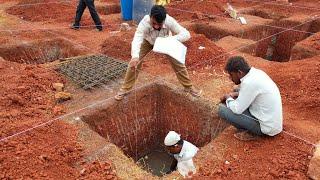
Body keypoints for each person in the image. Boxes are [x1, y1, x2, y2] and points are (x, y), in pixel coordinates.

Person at [114, 5, 201, 100]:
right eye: (154, 23)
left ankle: (188, 87)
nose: (156, 26)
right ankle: (125, 89)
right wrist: (135, 56)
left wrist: (170, 39)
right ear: (150, 17)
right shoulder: (144, 22)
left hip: (165, 42)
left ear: (164, 20)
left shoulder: (169, 21)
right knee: (134, 63)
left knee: (178, 62)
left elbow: (186, 34)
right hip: (148, 41)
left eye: (159, 24)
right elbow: (137, 39)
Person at [218, 56, 283, 141]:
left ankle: (252, 132)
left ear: (239, 72)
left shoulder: (249, 83)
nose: (230, 78)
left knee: (222, 110)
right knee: (237, 90)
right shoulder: (257, 73)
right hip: (273, 123)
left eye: (231, 75)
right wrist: (236, 94)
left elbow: (237, 109)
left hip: (265, 128)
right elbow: (253, 92)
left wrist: (228, 98)